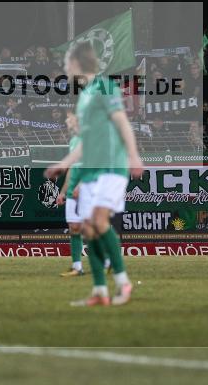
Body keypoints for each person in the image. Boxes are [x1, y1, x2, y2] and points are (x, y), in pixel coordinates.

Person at [46, 42, 144, 307]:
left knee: (98, 222)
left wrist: (134, 156)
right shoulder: (86, 96)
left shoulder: (103, 87)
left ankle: (123, 283)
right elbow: (85, 143)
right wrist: (62, 163)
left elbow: (122, 121)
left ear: (77, 63)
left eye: (67, 62)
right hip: (92, 170)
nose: (65, 68)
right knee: (88, 229)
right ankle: (100, 290)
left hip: (111, 166)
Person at [57, 111, 85, 277]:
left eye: (69, 118)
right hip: (72, 189)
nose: (67, 121)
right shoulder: (74, 141)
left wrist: (81, 186)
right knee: (74, 227)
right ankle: (77, 266)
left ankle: (109, 261)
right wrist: (63, 191)